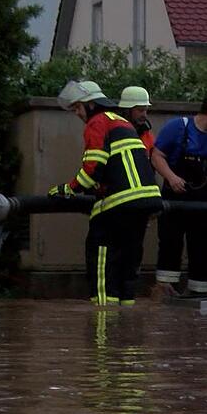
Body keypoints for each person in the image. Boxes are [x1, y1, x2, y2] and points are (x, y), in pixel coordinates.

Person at [53, 80, 163, 306]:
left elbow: (93, 167)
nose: (76, 113)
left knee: (102, 265)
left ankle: (103, 333)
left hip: (117, 205)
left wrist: (67, 189)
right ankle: (128, 334)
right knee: (127, 269)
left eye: (77, 107)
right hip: (144, 204)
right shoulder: (123, 123)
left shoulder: (98, 122)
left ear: (91, 105)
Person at [150, 91, 207, 295]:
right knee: (170, 245)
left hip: (204, 202)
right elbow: (157, 156)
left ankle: (198, 292)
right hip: (175, 200)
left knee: (201, 250)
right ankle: (165, 289)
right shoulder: (177, 127)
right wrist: (171, 177)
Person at [118, 86, 154, 153]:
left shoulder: (146, 135)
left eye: (146, 110)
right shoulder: (114, 132)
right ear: (127, 111)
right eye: (140, 110)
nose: (144, 115)